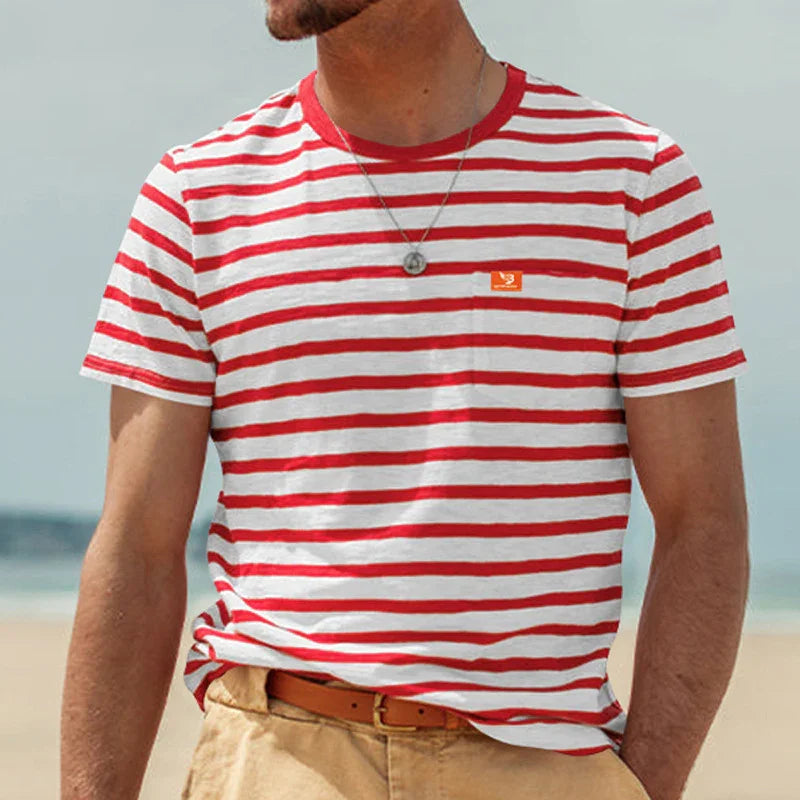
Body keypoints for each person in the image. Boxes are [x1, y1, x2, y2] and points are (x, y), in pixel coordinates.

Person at [61, 1, 751, 798]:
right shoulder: (197, 195)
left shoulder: (632, 184)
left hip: (542, 765)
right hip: (278, 758)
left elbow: (704, 518)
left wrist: (644, 787)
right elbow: (138, 548)